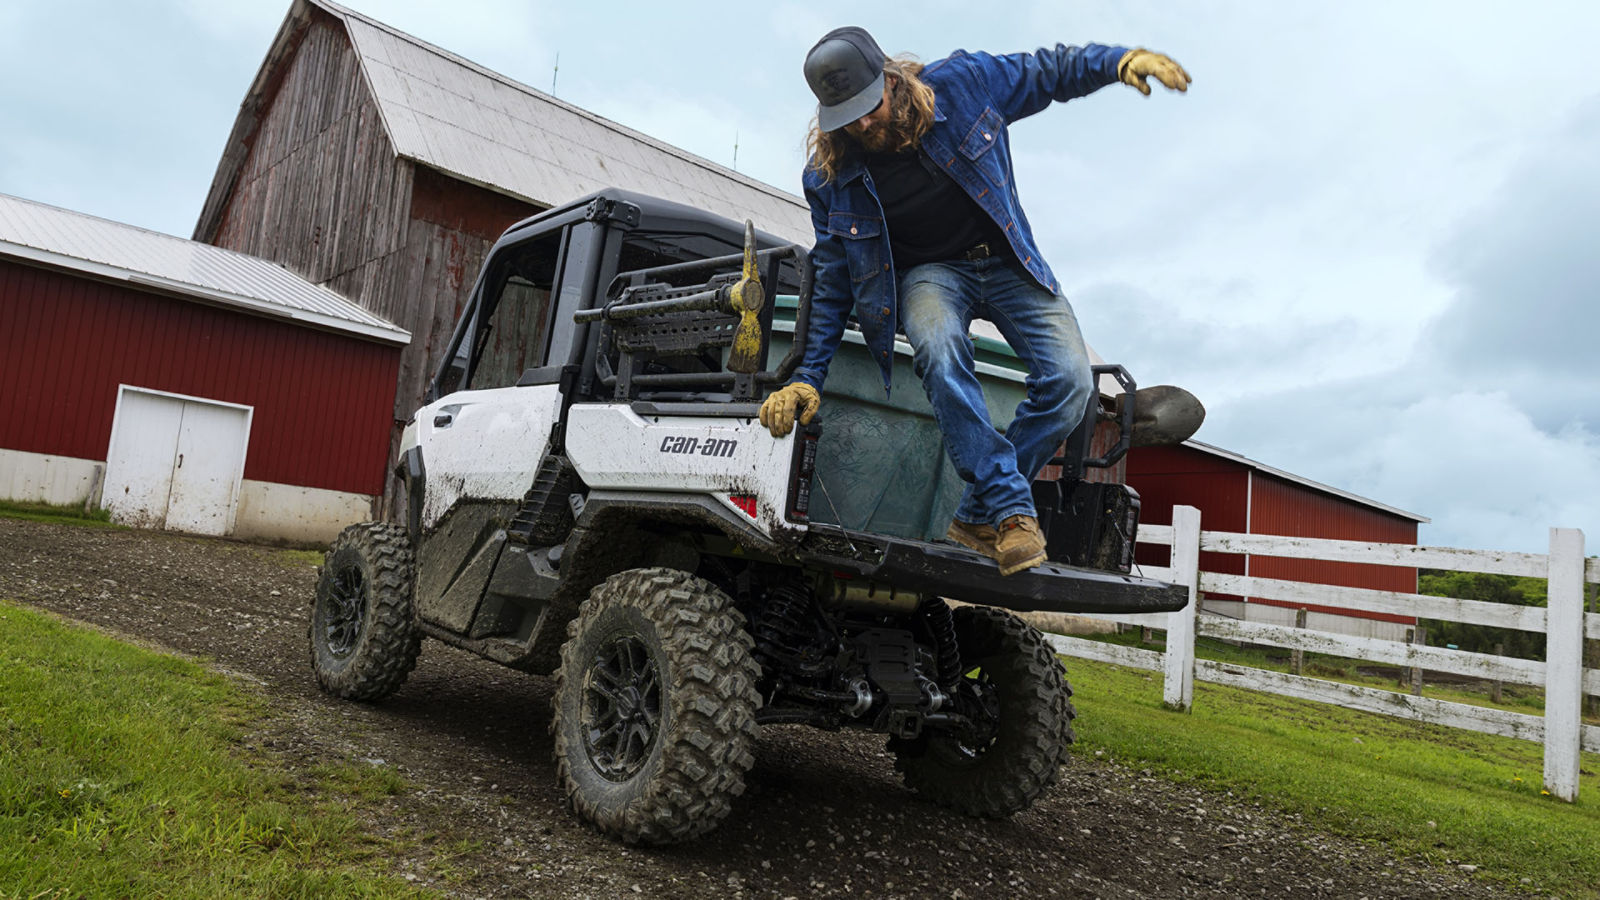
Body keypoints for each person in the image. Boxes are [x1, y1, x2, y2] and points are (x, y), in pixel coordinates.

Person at [759, 26, 1189, 576]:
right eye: (848, 118)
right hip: (930, 275)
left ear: (892, 78)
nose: (864, 125)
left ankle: (977, 515)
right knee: (937, 345)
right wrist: (807, 376)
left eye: (870, 107)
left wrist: (1119, 61)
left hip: (1007, 261)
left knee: (1071, 385)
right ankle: (1010, 511)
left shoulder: (964, 85)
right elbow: (833, 275)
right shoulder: (831, 179)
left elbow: (1046, 72)